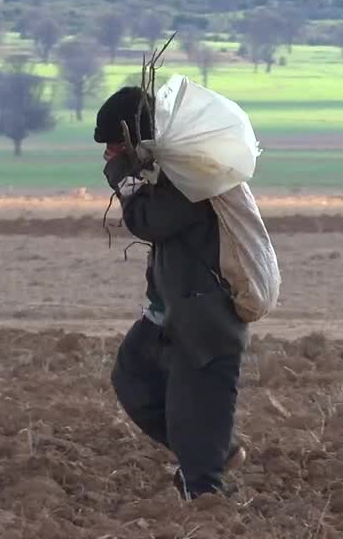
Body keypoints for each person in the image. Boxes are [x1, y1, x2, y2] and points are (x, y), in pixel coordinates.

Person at [94, 85, 248, 500]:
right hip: (170, 313)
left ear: (135, 139)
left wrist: (122, 177)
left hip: (204, 319)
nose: (109, 155)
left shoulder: (193, 175)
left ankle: (206, 492)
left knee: (194, 412)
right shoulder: (170, 171)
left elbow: (150, 221)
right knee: (132, 377)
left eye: (113, 146)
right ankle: (212, 453)